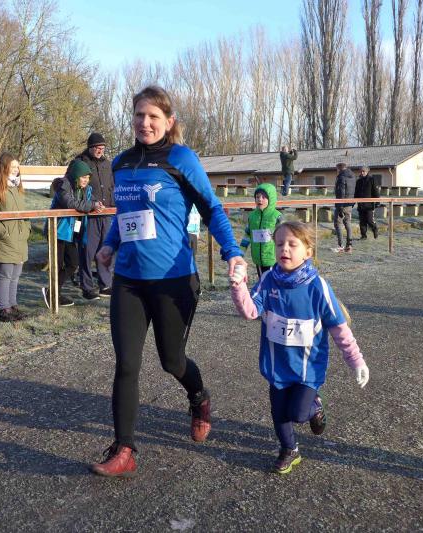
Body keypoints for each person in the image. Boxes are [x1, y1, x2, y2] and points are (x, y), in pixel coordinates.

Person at [90, 85, 247, 477]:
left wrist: (232, 251)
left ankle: (198, 396)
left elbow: (211, 208)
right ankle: (124, 448)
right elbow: (124, 215)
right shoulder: (122, 162)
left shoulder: (181, 159)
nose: (145, 123)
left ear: (168, 121)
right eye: (139, 115)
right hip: (129, 281)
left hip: (173, 280)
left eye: (153, 117)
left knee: (171, 360)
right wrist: (109, 244)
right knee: (126, 363)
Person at [229, 221, 369, 474]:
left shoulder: (318, 287)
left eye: (292, 244)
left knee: (298, 414)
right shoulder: (268, 280)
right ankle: (289, 449)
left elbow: (339, 329)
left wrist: (356, 361)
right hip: (278, 366)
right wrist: (238, 286)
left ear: (308, 252)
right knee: (279, 413)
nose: (284, 249)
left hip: (308, 370)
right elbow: (250, 311)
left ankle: (315, 405)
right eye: (279, 244)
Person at [41, 160, 103, 308]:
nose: (86, 180)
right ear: (76, 176)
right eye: (83, 177)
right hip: (57, 230)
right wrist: (92, 205)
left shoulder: (86, 189)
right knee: (57, 265)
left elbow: (92, 200)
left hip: (72, 232)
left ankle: (53, 291)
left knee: (73, 263)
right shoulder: (64, 185)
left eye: (88, 178)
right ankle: (53, 294)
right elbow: (70, 203)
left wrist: (98, 204)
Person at [0, 153, 31, 322]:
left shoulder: (17, 186)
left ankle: (12, 306)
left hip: (19, 239)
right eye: (12, 166)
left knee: (15, 275)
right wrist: (4, 232)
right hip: (3, 240)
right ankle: (4, 309)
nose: (16, 170)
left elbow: (24, 212)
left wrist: (27, 229)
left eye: (17, 167)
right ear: (4, 167)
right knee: (5, 275)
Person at [66, 132, 114, 300]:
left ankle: (105, 284)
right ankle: (86, 286)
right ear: (90, 147)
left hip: (106, 214)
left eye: (103, 148)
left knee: (106, 250)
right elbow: (73, 187)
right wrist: (91, 204)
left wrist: (113, 203)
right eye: (97, 148)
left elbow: (112, 185)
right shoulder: (79, 162)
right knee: (87, 252)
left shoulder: (107, 164)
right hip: (88, 215)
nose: (101, 151)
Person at [240, 183, 282, 279]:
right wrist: (240, 253)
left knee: (274, 284)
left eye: (264, 197)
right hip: (258, 259)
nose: (260, 199)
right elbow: (247, 235)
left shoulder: (277, 217)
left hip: (273, 260)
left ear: (271, 199)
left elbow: (284, 238)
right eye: (257, 197)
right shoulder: (252, 216)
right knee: (263, 282)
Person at [333, 162, 355, 253]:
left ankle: (340, 245)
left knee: (337, 223)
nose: (336, 171)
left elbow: (341, 192)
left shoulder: (341, 177)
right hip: (350, 203)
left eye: (337, 169)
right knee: (348, 223)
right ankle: (349, 245)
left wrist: (340, 207)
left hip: (342, 204)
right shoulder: (353, 176)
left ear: (339, 169)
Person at [353, 166, 380, 240]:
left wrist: (377, 202)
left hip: (369, 205)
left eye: (363, 171)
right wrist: (353, 202)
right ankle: (363, 236)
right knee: (362, 221)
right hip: (361, 205)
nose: (362, 173)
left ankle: (374, 229)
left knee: (369, 220)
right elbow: (356, 193)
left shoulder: (372, 179)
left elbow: (376, 191)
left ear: (367, 172)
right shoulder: (358, 181)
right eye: (361, 171)